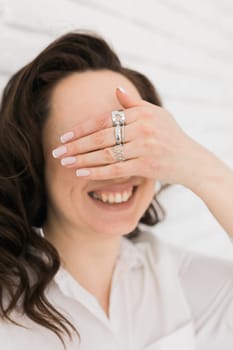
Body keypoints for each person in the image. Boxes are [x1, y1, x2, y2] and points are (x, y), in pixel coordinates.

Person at [0, 30, 233, 350]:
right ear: (36, 159)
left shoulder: (179, 279)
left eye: (133, 141)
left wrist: (204, 170)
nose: (118, 170)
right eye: (89, 146)